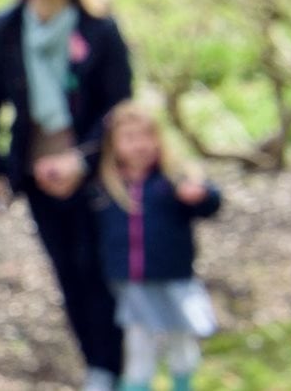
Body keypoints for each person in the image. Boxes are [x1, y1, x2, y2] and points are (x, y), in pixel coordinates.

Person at [0, 0, 134, 391]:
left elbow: (118, 104)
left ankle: (117, 364)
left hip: (94, 169)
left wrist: (80, 159)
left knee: (96, 268)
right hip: (35, 171)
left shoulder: (99, 29)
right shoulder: (5, 30)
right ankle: (97, 367)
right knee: (66, 271)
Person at [92, 101, 221, 391]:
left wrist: (202, 195)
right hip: (132, 285)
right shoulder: (106, 187)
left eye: (146, 135)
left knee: (181, 344)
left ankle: (183, 384)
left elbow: (211, 204)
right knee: (139, 348)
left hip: (174, 280)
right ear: (114, 144)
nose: (140, 145)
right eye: (130, 137)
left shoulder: (172, 181)